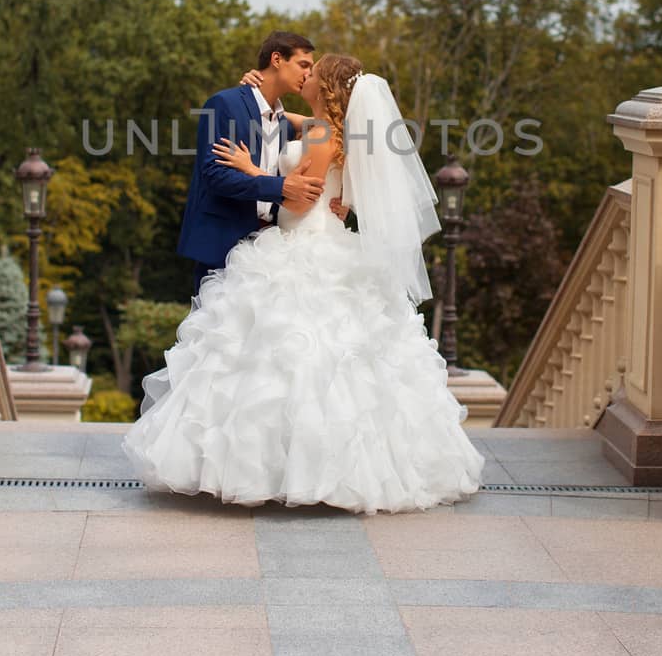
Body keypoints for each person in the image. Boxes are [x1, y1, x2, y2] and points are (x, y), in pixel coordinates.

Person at [123, 53, 485, 514]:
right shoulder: (334, 130)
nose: (305, 76)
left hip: (301, 243)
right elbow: (288, 121)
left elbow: (297, 201)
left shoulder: (318, 133)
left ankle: (273, 471)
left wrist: (250, 170)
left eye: (312, 72)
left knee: (282, 363)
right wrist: (261, 91)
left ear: (327, 87)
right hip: (327, 240)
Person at [176, 30, 325, 294]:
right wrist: (281, 187)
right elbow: (214, 175)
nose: (307, 74)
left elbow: (334, 129)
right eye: (303, 65)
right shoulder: (224, 103)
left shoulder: (283, 123)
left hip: (270, 249)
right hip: (222, 244)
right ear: (277, 59)